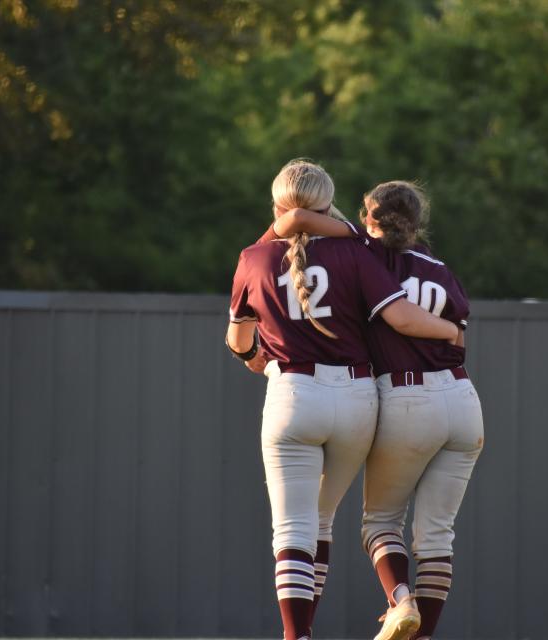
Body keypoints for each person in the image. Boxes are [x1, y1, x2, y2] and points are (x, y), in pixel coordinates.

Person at [225, 161, 461, 640]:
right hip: (357, 396)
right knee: (324, 521)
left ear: (277, 204)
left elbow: (238, 340)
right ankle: (400, 604)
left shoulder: (253, 257)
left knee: (293, 531)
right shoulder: (358, 251)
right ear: (329, 204)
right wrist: (450, 331)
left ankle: (299, 636)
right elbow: (396, 315)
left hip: (292, 392)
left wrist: (255, 355)